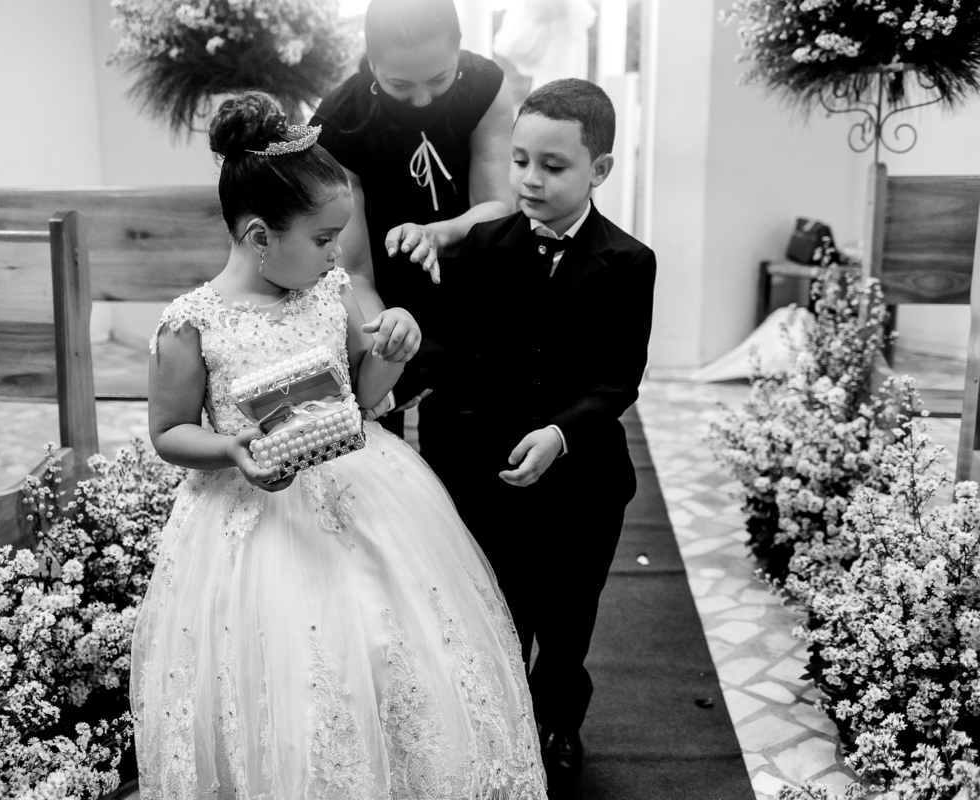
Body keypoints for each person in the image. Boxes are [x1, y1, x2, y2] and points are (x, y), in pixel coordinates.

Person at [130, 92, 546, 799]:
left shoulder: (329, 292)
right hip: (255, 522)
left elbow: (365, 392)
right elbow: (168, 432)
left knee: (396, 646)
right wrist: (232, 450)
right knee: (292, 670)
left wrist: (393, 344)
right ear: (261, 237)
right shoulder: (191, 326)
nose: (337, 253)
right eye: (324, 238)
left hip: (366, 490)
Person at [434, 79, 657, 791]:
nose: (529, 178)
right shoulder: (480, 247)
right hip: (488, 475)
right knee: (499, 610)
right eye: (520, 159)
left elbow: (618, 377)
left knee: (566, 618)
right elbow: (454, 355)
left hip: (583, 480)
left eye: (553, 166)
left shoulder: (628, 262)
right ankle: (497, 724)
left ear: (600, 169)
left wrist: (561, 432)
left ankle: (560, 720)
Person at [309, 0, 514, 459]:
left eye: (439, 80)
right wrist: (380, 351)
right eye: (400, 84)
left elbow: (497, 206)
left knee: (465, 451)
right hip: (380, 289)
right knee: (382, 447)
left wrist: (437, 233)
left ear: (458, 51)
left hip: (471, 279)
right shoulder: (339, 122)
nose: (422, 99)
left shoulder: (484, 87)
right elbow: (355, 271)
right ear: (372, 60)